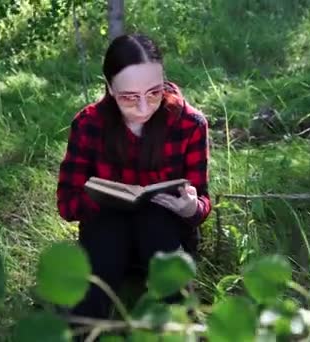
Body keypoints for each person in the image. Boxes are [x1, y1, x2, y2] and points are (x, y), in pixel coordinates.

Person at [55, 33, 211, 331]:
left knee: (155, 220)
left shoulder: (190, 124)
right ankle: (86, 330)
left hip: (165, 237)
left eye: (154, 92)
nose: (143, 107)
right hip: (106, 236)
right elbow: (66, 205)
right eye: (129, 97)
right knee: (107, 229)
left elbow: (202, 204)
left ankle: (183, 329)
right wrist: (102, 194)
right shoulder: (89, 125)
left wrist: (190, 207)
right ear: (111, 88)